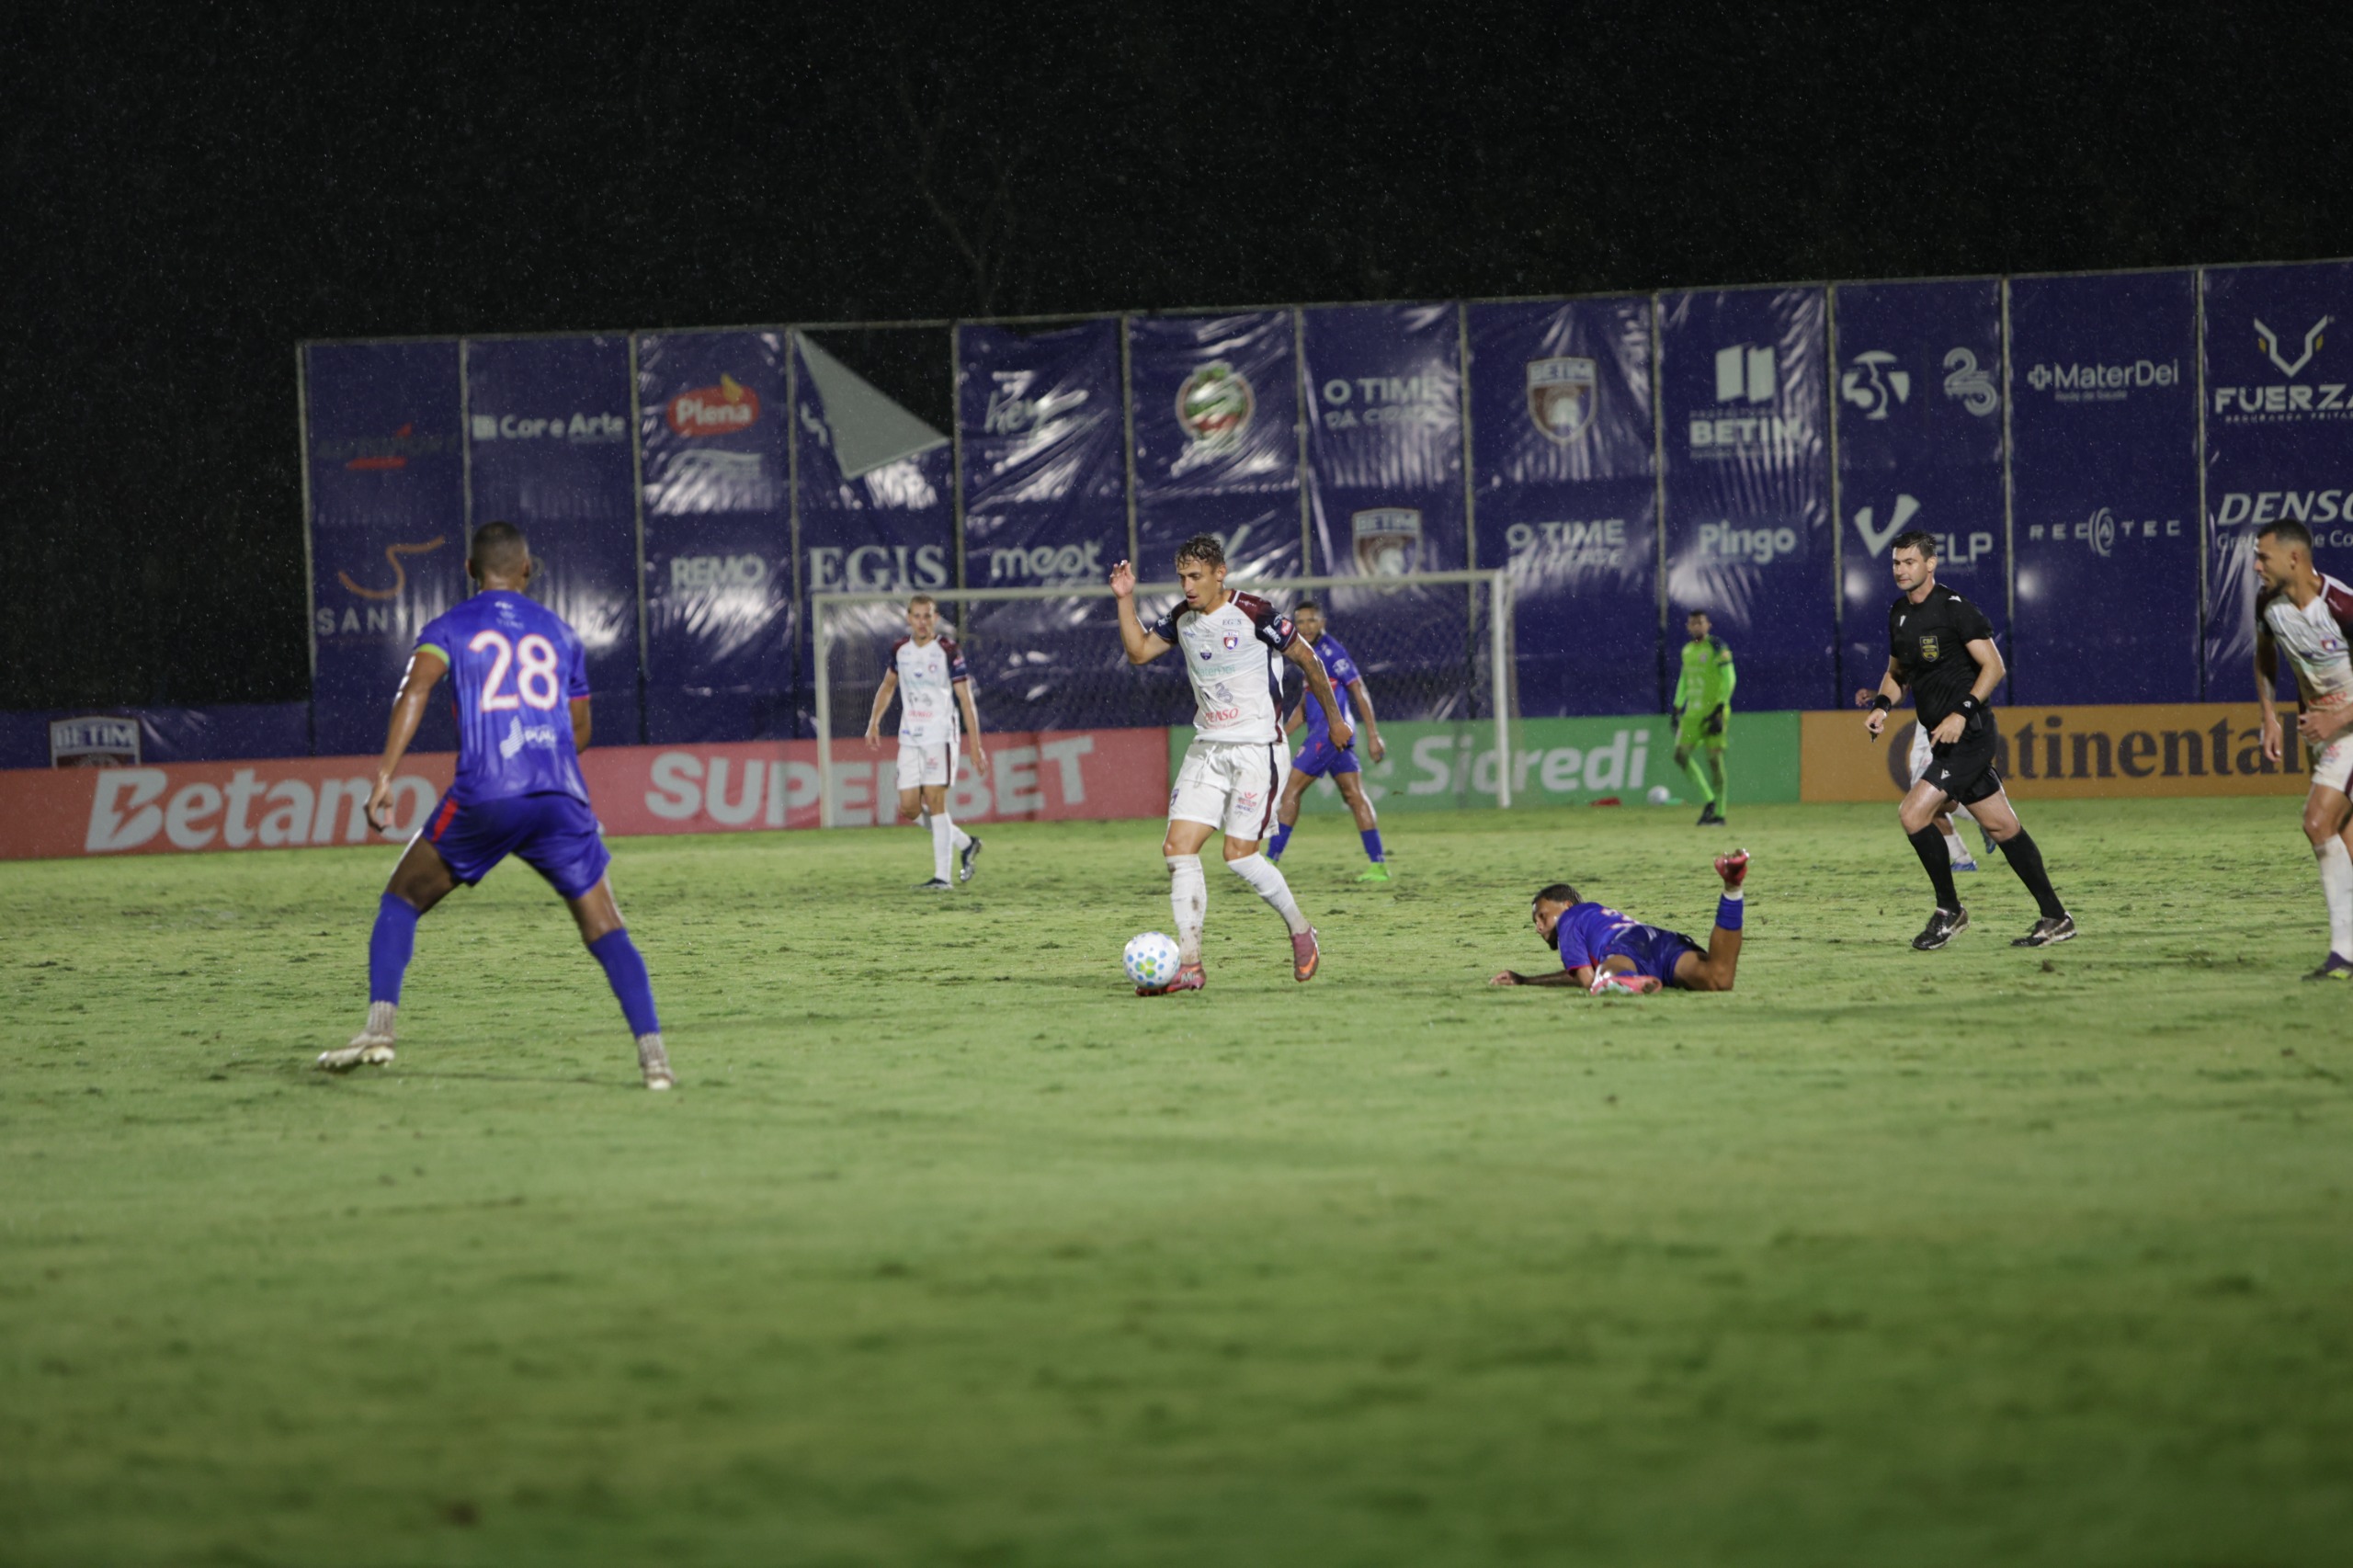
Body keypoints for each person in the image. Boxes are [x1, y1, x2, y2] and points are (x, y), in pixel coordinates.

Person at [316, 521, 672, 1088]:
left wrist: (385, 777)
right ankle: (656, 1062)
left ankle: (380, 1031)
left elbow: (415, 690)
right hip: (559, 797)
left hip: (486, 794)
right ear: (527, 569)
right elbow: (579, 732)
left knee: (402, 898)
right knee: (606, 926)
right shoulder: (560, 633)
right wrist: (538, 744)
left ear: (469, 571)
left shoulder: (448, 627)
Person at [1110, 534, 1351, 991]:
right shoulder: (1182, 617)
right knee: (1178, 849)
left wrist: (1335, 721)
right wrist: (1125, 600)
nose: (1187, 586)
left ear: (1220, 573)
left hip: (1257, 749)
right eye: (1182, 577)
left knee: (1238, 857)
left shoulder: (1255, 612)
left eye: (1196, 576)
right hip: (1208, 747)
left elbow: (1309, 660)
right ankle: (1190, 964)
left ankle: (1301, 930)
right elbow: (1139, 653)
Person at [1864, 528, 2073, 950]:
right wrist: (1883, 706)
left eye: (1909, 562)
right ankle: (2056, 917)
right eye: (1896, 563)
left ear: (1930, 563)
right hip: (1942, 738)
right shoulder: (1898, 614)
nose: (1901, 570)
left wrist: (1961, 713)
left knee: (1912, 813)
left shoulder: (1954, 608)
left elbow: (1994, 667)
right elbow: (1898, 673)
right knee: (2001, 825)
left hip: (1970, 735)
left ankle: (1948, 911)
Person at [2251, 518, 2353, 980]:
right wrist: (2268, 714)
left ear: (2294, 558)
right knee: (2346, 843)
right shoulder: (2268, 604)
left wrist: (2336, 718)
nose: (2256, 566)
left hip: (2348, 729)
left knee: (2317, 822)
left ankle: (2344, 956)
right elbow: (2265, 652)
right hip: (2324, 735)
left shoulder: (2342, 606)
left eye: (2263, 557)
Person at [1490, 851, 1751, 994]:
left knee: (1606, 977)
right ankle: (1732, 889)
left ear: (1566, 906)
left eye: (1542, 915)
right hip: (1658, 939)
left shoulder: (1570, 919)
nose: (1538, 926)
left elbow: (1585, 979)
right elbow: (1581, 973)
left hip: (1624, 948)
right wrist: (1525, 980)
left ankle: (1623, 980)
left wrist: (1525, 981)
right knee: (1718, 979)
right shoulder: (1595, 917)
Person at [864, 593, 989, 891]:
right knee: (908, 808)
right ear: (909, 618)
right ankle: (965, 842)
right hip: (910, 736)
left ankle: (942, 879)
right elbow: (888, 686)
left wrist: (975, 744)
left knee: (935, 801)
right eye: (917, 616)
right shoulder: (900, 650)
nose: (922, 622)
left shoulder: (947, 650)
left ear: (935, 618)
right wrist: (874, 721)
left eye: (928, 615)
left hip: (940, 735)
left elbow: (965, 698)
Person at [1267, 598, 1390, 881]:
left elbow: (1360, 691)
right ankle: (1379, 864)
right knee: (1354, 795)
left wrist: (1373, 735)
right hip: (1335, 736)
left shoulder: (1330, 652)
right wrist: (1282, 735)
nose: (1306, 626)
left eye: (1312, 620)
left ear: (1322, 623)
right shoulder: (1306, 652)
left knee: (1290, 792)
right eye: (1300, 622)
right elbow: (1304, 705)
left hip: (1328, 734)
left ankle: (1270, 862)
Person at [1851, 685, 1997, 871]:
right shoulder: (1915, 658)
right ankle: (1963, 860)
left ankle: (1983, 820)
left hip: (1945, 722)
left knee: (1924, 798)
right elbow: (1902, 692)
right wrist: (1876, 698)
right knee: (1925, 802)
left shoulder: (1946, 660)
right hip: (1925, 726)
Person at [1672, 610, 1734, 826]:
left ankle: (1720, 813)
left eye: (1700, 622)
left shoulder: (1718, 647)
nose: (1697, 626)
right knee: (1680, 755)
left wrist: (1720, 707)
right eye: (1693, 623)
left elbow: (1729, 678)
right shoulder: (1687, 650)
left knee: (1714, 761)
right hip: (1692, 714)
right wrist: (1677, 706)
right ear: (1688, 627)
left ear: (1709, 625)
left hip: (1713, 712)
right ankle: (1709, 800)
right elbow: (1684, 679)